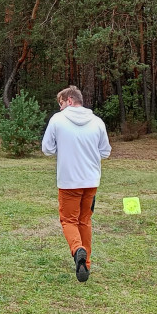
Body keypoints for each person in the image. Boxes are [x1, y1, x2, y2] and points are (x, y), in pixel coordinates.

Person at [41, 85, 111, 282]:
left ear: (69, 100)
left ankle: (77, 249)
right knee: (84, 221)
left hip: (68, 181)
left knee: (68, 220)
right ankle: (85, 264)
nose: (60, 107)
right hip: (91, 181)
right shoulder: (97, 122)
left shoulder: (57, 119)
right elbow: (105, 152)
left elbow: (47, 148)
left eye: (61, 103)